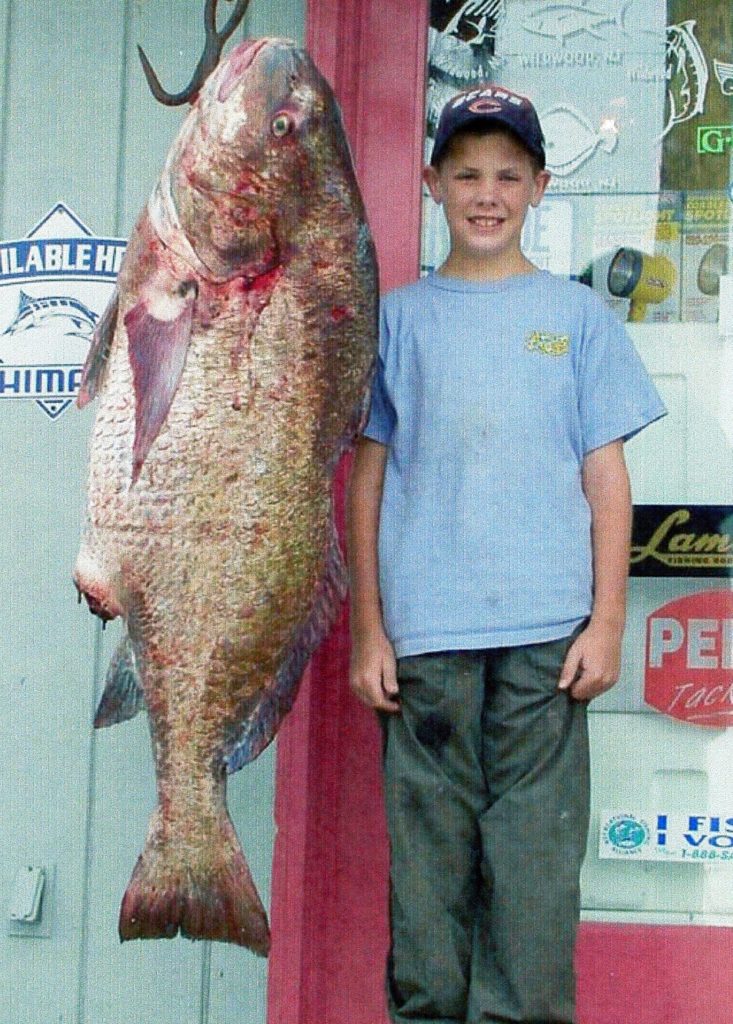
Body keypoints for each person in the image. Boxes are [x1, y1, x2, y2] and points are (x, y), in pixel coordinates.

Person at [346, 84, 666, 1024]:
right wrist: (371, 629)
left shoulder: (575, 318)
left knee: (530, 886)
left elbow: (606, 480)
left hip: (546, 644)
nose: (487, 192)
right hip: (425, 647)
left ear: (538, 186)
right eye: (467, 173)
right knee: (428, 885)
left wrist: (606, 622)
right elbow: (367, 479)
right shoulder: (398, 321)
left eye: (508, 175)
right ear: (433, 183)